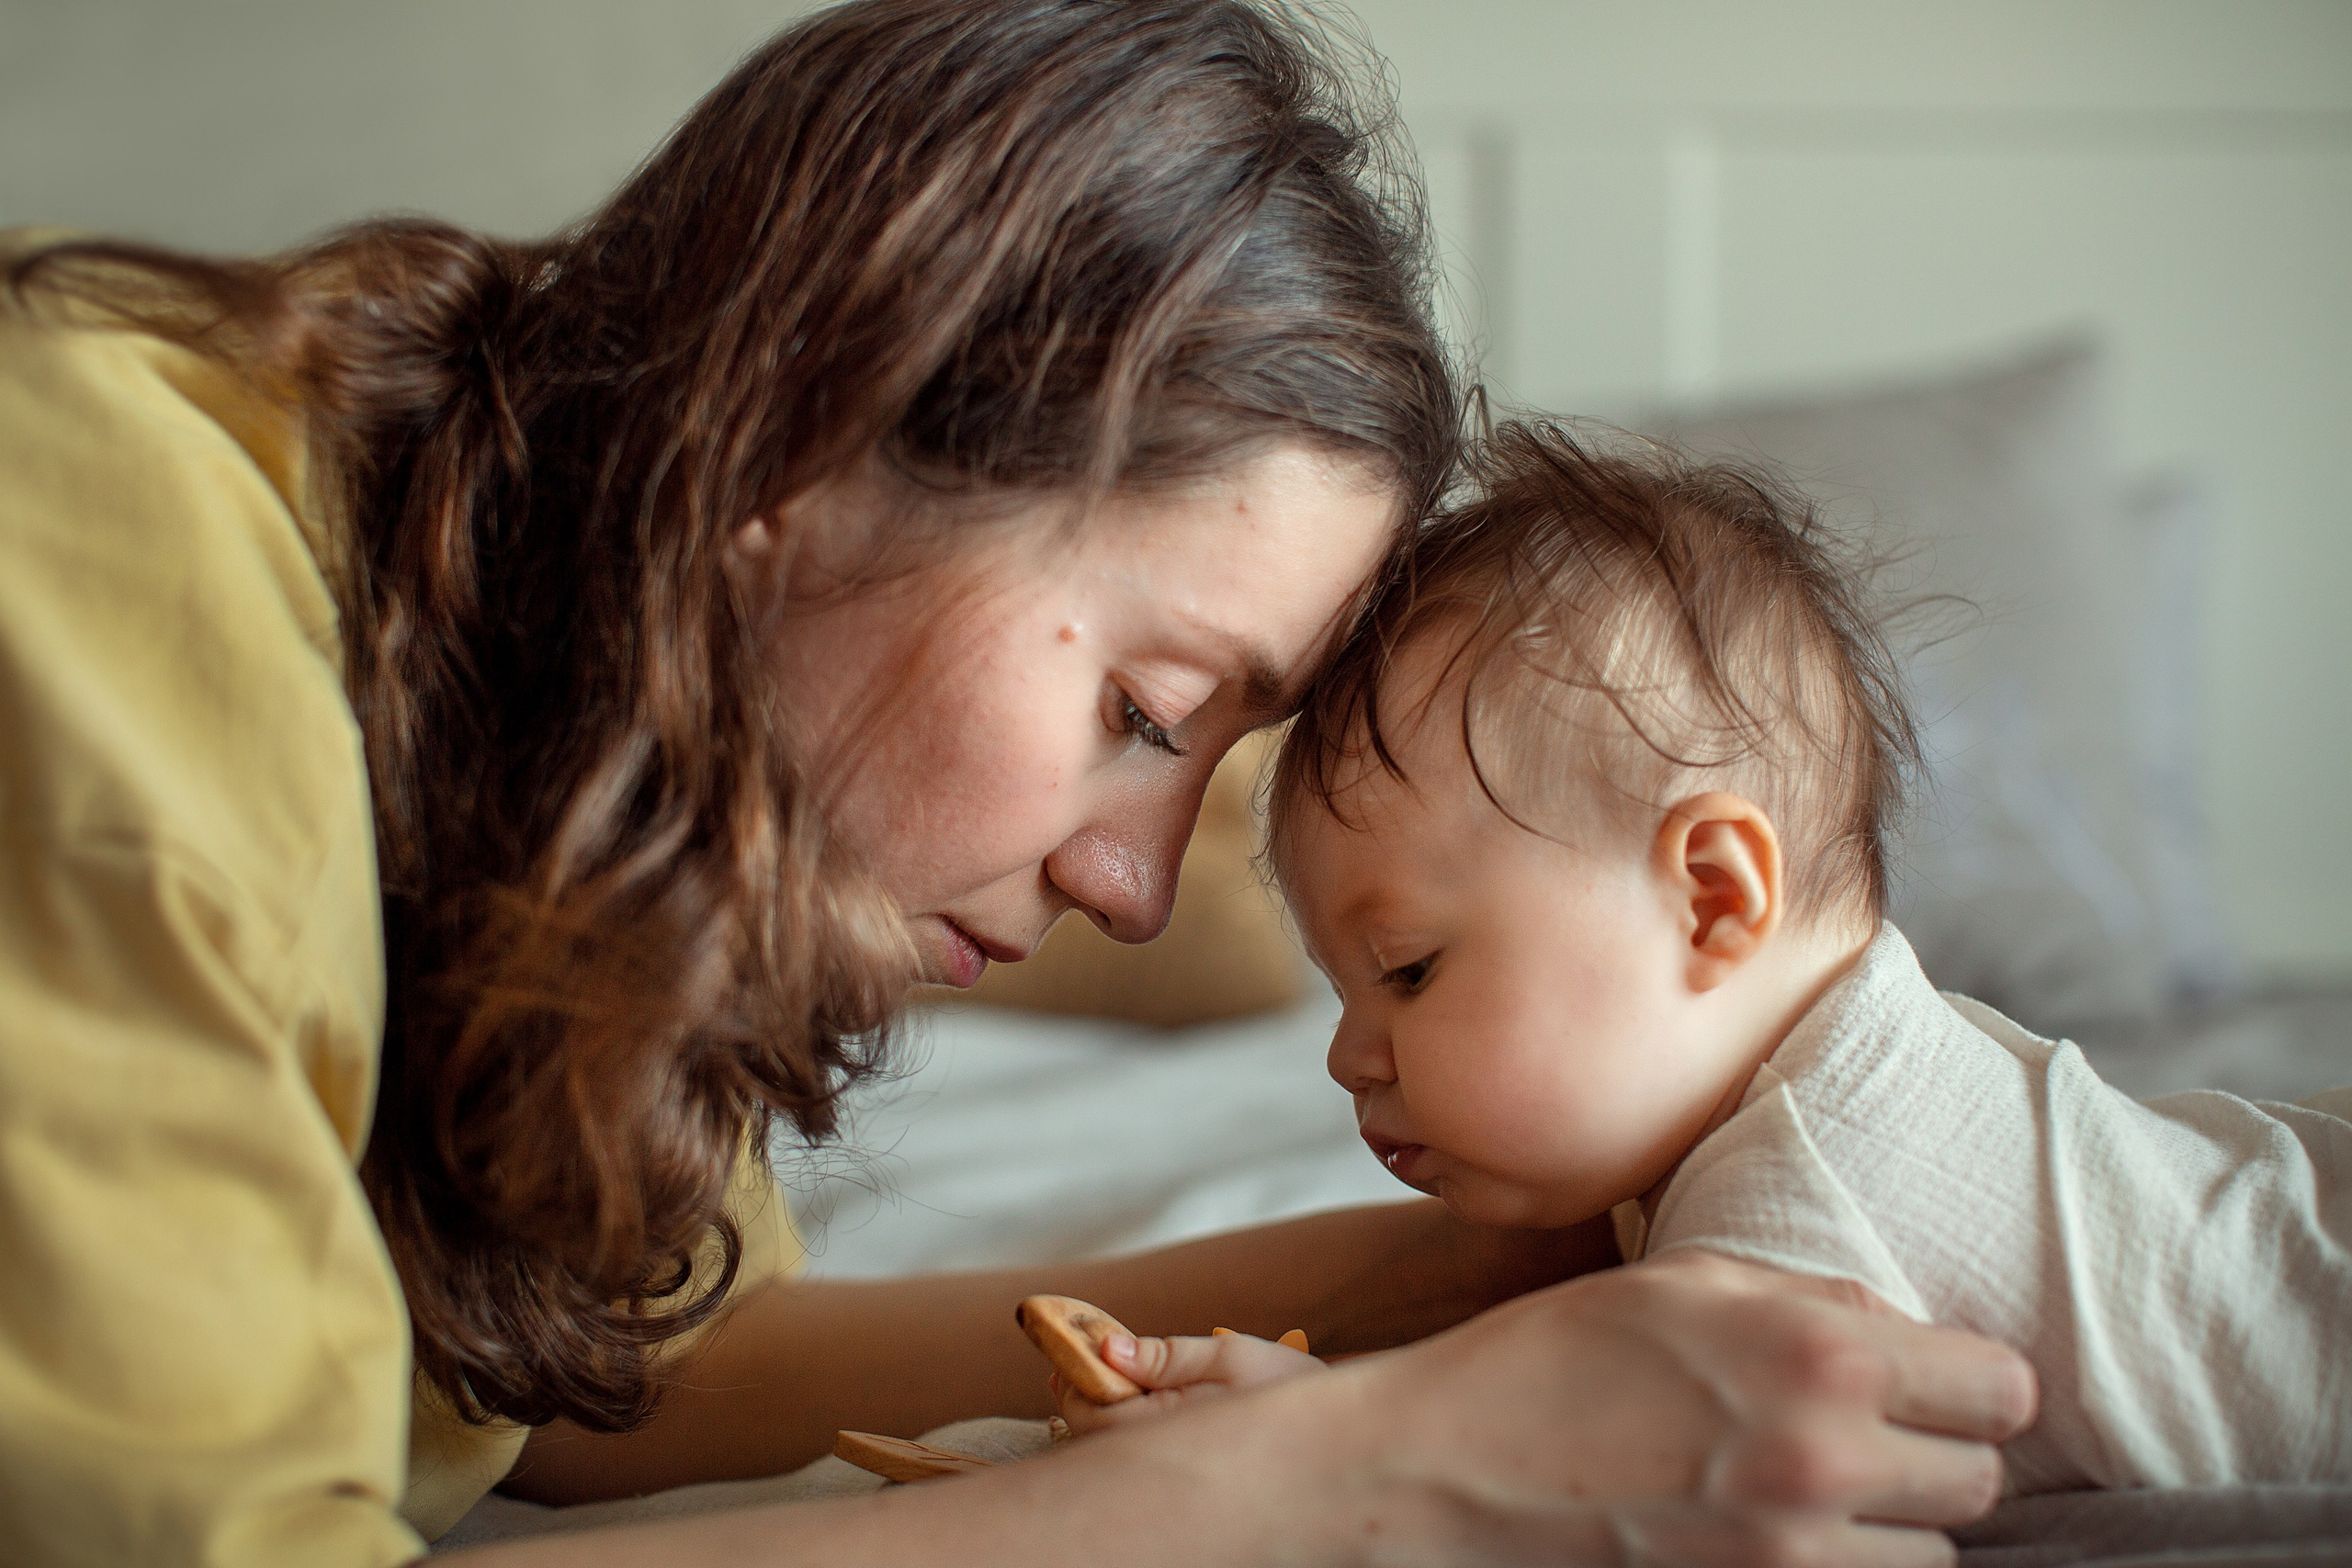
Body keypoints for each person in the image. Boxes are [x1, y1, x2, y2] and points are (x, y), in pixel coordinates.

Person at [0, 3, 2033, 1563]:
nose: (1140, 888)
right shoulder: (86, 570)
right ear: (805, 435)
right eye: (1146, 713)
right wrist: (1342, 1473)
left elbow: (609, 1377)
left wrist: (1448, 1286)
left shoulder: (554, 751)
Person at [1055, 423, 2350, 1495]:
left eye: (1407, 970)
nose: (1347, 1055)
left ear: (1714, 900)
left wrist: (1293, 1451)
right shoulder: (1827, 1069)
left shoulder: (1809, 1186)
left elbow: (1572, 1492)